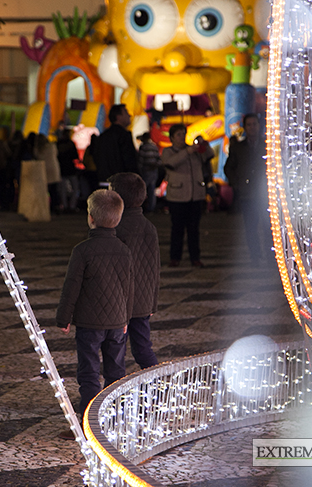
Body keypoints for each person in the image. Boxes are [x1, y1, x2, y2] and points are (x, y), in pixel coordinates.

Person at [56, 189, 133, 439]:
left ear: (90, 217)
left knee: (89, 372)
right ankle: (114, 419)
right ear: (118, 219)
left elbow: (72, 287)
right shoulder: (124, 250)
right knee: (116, 371)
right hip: (117, 323)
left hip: (89, 323)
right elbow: (128, 288)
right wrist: (126, 319)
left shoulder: (82, 250)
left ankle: (88, 424)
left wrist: (64, 317)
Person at [107, 172, 160, 369]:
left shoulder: (116, 228)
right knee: (143, 348)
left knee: (115, 351)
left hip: (120, 302)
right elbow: (155, 268)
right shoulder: (149, 227)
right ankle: (155, 386)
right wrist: (152, 303)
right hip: (143, 300)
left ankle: (113, 391)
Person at [161, 124, 213, 268]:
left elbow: (208, 156)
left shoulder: (194, 151)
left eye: (183, 134)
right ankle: (175, 257)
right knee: (177, 228)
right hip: (177, 196)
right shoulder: (168, 151)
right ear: (171, 137)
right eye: (178, 134)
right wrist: (187, 152)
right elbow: (170, 163)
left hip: (195, 195)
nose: (182, 137)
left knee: (194, 229)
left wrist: (204, 144)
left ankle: (195, 257)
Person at [224, 113, 273, 265]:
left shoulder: (268, 145)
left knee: (268, 227)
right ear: (245, 128)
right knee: (250, 227)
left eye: (255, 124)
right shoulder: (238, 147)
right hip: (247, 193)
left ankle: (271, 257)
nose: (252, 128)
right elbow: (229, 168)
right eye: (249, 125)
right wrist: (237, 183)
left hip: (265, 193)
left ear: (260, 126)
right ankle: (255, 256)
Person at [93, 104, 138, 183]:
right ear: (118, 116)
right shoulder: (123, 136)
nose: (129, 116)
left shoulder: (103, 136)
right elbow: (129, 160)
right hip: (121, 182)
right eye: (126, 112)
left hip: (103, 180)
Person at [56, 129, 80, 213]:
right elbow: (75, 156)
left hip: (61, 168)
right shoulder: (70, 144)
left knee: (62, 189)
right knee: (75, 187)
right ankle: (72, 206)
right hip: (70, 168)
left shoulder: (58, 144)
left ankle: (64, 206)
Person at [137, 132, 161, 213]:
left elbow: (140, 160)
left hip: (146, 171)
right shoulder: (154, 147)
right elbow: (159, 159)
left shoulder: (143, 147)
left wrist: (139, 170)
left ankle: (141, 207)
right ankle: (151, 207)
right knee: (152, 189)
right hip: (154, 171)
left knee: (143, 190)